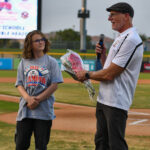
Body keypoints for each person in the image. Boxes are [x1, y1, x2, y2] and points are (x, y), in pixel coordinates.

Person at [76, 2, 143, 150]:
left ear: (126, 16)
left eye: (113, 14)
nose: (109, 18)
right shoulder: (121, 37)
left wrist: (87, 74)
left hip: (116, 102)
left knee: (116, 145)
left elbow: (109, 75)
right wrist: (103, 57)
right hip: (105, 99)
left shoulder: (131, 39)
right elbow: (109, 68)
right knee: (101, 143)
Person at [15, 30, 63, 150]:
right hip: (25, 110)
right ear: (30, 44)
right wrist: (28, 99)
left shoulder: (51, 62)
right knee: (20, 145)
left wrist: (37, 100)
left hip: (44, 111)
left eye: (43, 40)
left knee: (41, 146)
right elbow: (19, 84)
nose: (41, 42)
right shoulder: (23, 62)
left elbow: (54, 84)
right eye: (37, 40)